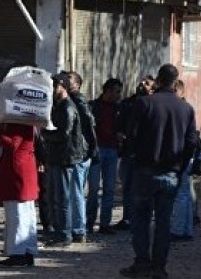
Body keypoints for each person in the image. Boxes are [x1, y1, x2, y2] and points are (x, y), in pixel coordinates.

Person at [119, 64, 197, 279]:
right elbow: (191, 142)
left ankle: (142, 262)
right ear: (175, 81)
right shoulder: (186, 109)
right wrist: (180, 166)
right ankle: (159, 266)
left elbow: (131, 136)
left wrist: (133, 158)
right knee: (163, 222)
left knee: (140, 219)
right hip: (171, 171)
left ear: (159, 80)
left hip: (145, 169)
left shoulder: (145, 103)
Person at [40, 72, 86, 248]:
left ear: (63, 87)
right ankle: (58, 232)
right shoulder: (57, 106)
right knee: (53, 198)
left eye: (55, 85)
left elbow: (62, 134)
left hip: (64, 159)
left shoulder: (68, 107)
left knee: (62, 198)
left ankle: (64, 234)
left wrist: (45, 134)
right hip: (55, 158)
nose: (52, 89)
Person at [0, 121, 40, 267]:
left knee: (17, 215)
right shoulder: (28, 123)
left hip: (17, 173)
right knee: (27, 215)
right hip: (24, 170)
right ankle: (28, 251)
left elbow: (12, 144)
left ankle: (18, 253)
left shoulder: (19, 123)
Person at [114, 75, 155, 231]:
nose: (142, 85)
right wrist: (120, 134)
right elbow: (119, 124)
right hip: (129, 151)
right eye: (142, 82)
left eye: (147, 83)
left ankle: (143, 218)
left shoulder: (153, 105)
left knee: (145, 188)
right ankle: (127, 218)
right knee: (128, 187)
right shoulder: (128, 104)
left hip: (146, 154)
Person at [86, 78, 123, 235]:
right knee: (93, 189)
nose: (118, 95)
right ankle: (88, 223)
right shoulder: (93, 106)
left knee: (109, 189)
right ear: (107, 91)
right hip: (96, 151)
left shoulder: (119, 109)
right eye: (116, 92)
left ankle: (105, 224)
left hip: (112, 151)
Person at [66, 72, 97, 243]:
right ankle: (74, 226)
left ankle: (78, 229)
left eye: (69, 79)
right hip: (79, 152)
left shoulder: (77, 100)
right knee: (73, 191)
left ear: (77, 84)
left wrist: (91, 148)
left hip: (80, 152)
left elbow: (89, 124)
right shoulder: (72, 100)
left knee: (76, 191)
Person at [169, 80, 196, 242]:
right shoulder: (187, 109)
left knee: (181, 194)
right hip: (185, 154)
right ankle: (186, 229)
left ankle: (179, 229)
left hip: (181, 154)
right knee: (185, 193)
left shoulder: (182, 110)